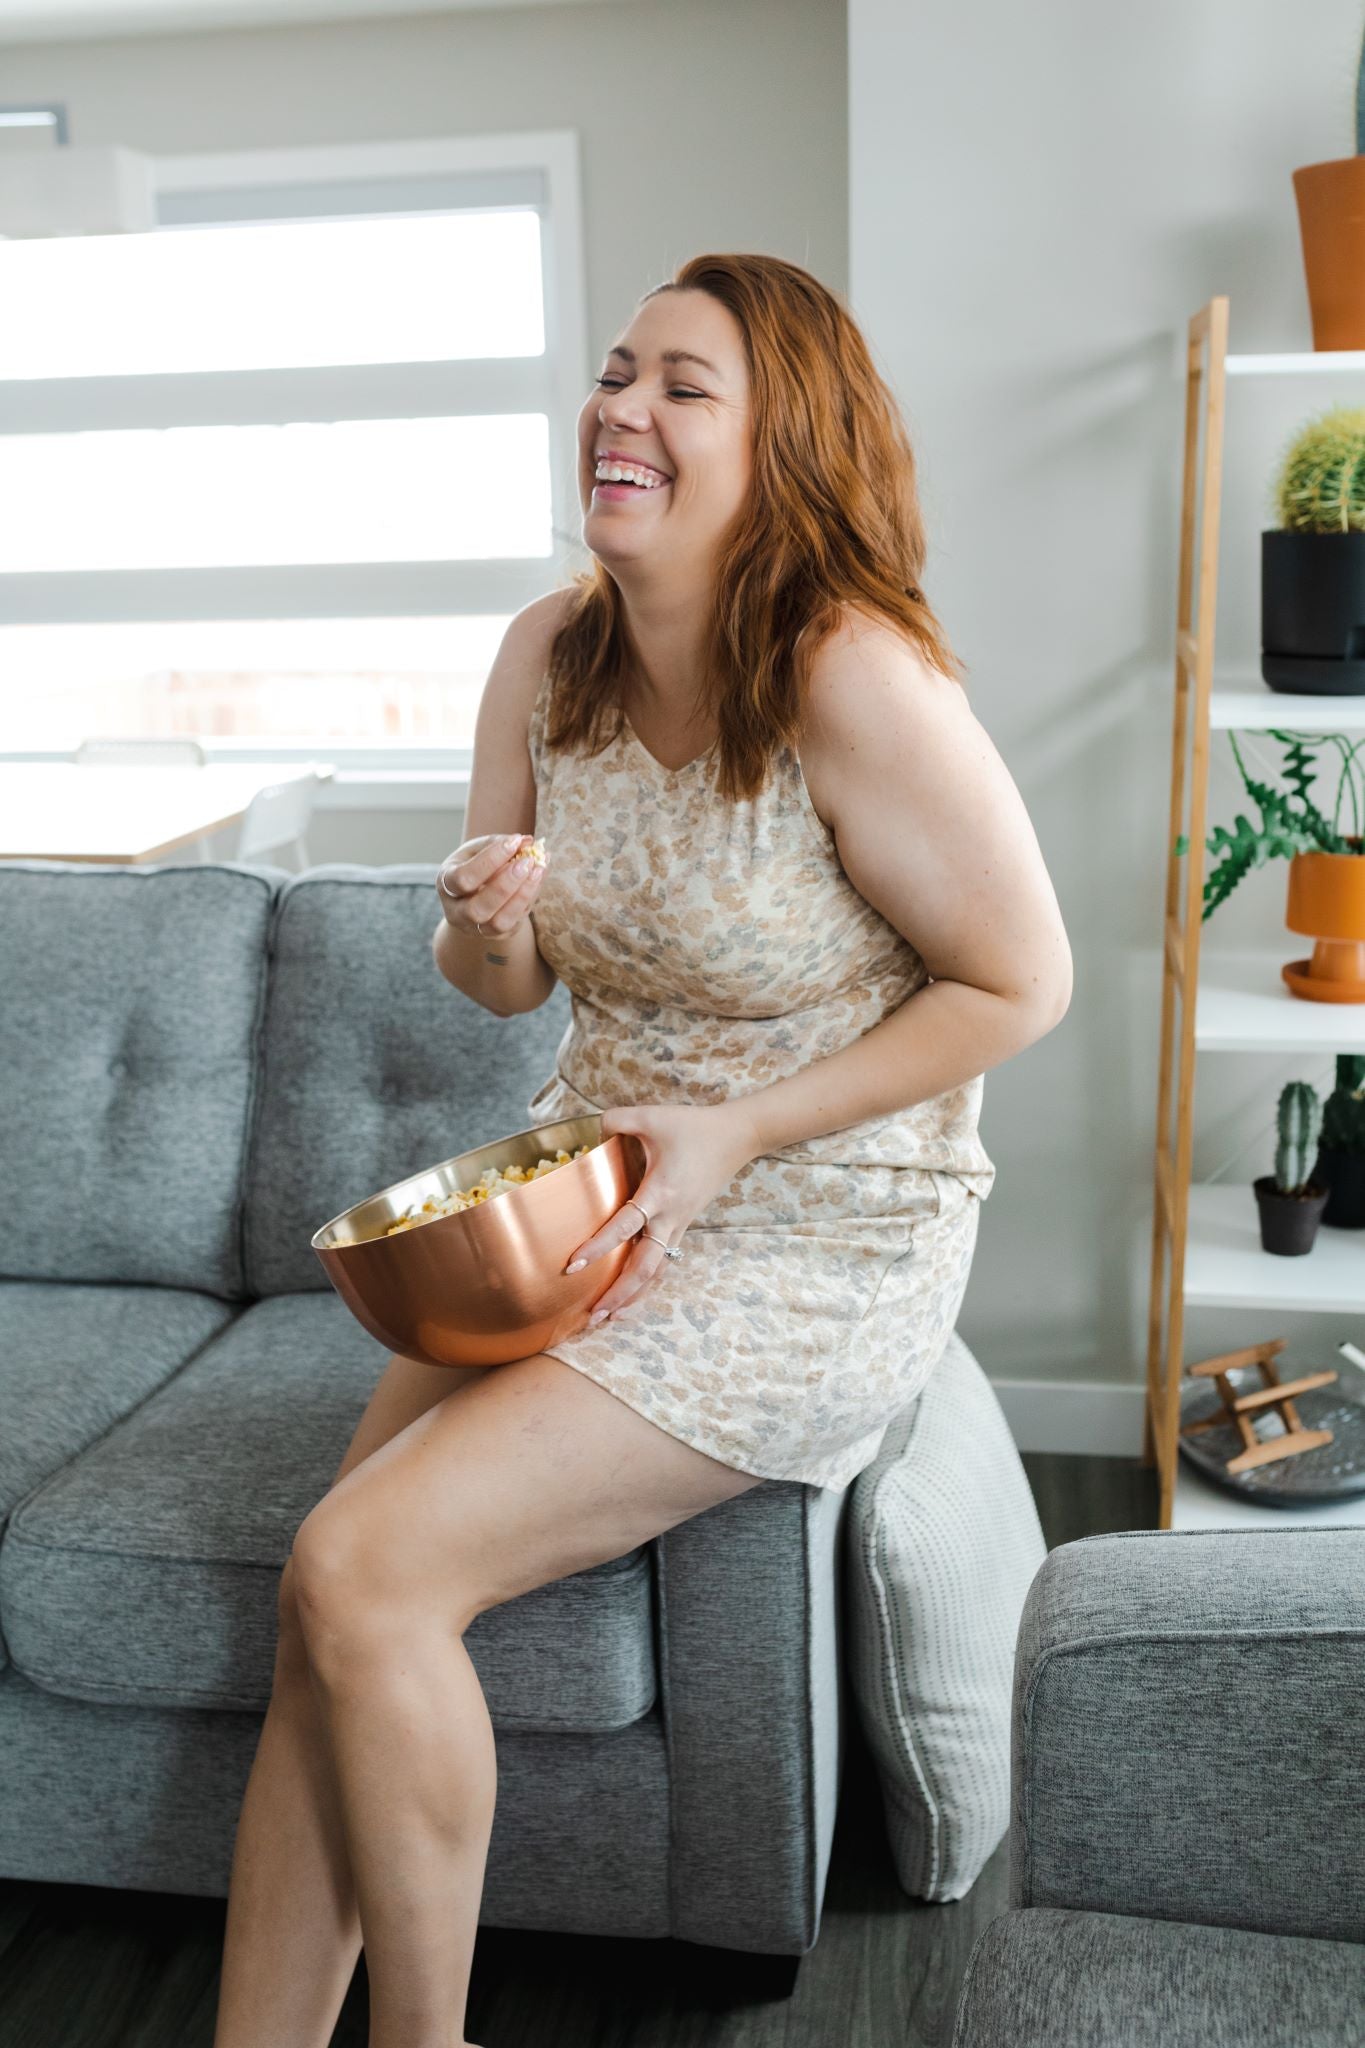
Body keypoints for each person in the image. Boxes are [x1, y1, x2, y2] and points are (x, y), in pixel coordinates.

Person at [211, 253, 1072, 2048]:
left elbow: (1020, 980)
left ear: (784, 448)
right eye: (617, 372)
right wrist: (481, 919)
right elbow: (497, 979)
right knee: (330, 1589)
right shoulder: (546, 655)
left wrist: (739, 1127)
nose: (622, 408)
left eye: (685, 385)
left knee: (369, 1571)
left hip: (819, 1220)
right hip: (587, 1184)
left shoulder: (848, 675)